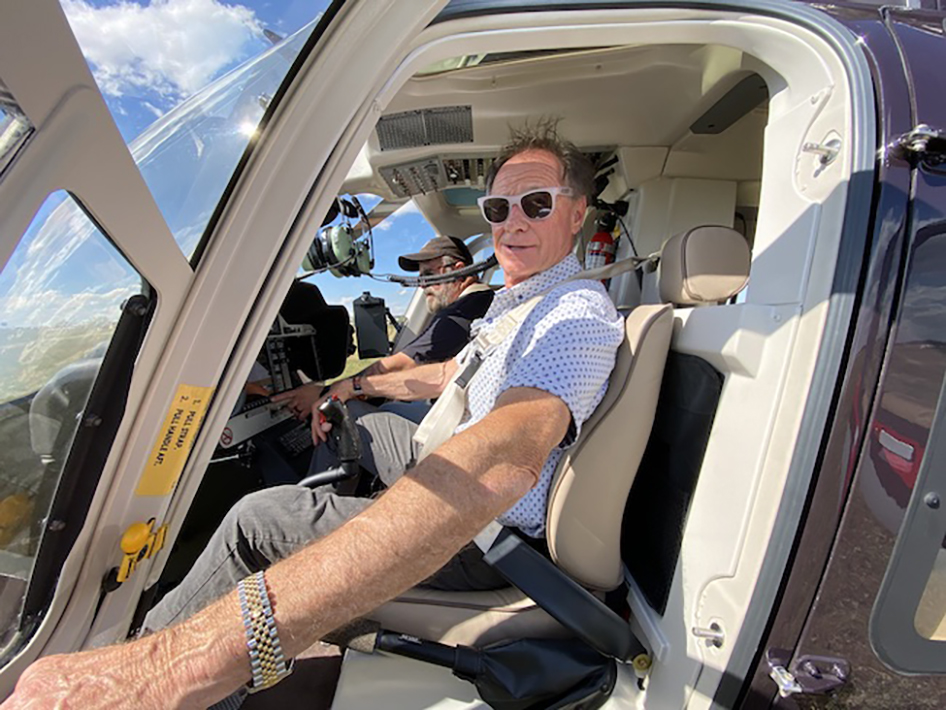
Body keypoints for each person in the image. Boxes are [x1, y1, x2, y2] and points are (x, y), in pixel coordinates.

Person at [1, 121, 624, 710]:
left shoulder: (573, 314)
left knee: (259, 520)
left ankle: (157, 676)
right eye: (498, 209)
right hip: (456, 468)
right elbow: (444, 375)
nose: (511, 222)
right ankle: (328, 511)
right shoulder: (520, 303)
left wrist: (178, 661)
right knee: (366, 425)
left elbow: (506, 454)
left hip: (486, 538)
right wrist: (346, 391)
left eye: (535, 204)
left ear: (575, 213)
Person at [271, 236, 493, 485]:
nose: (421, 285)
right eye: (419, 278)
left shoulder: (464, 311)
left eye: (428, 275)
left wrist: (327, 393)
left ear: (458, 271)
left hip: (459, 437)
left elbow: (401, 364)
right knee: (386, 408)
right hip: (460, 423)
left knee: (344, 414)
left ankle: (304, 508)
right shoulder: (474, 305)